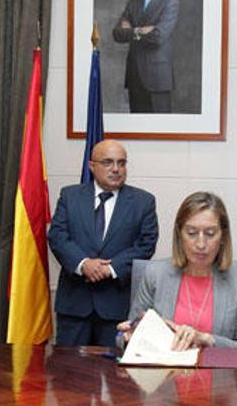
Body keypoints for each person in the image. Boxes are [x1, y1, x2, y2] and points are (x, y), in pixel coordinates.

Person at [48, 139, 159, 346]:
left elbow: (146, 244)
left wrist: (111, 269)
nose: (116, 169)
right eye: (108, 162)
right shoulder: (70, 196)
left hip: (117, 308)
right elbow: (58, 236)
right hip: (74, 306)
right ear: (92, 166)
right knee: (68, 372)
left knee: (114, 374)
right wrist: (84, 264)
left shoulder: (143, 202)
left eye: (122, 163)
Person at [119, 191, 237, 350]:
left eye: (210, 233)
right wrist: (129, 338)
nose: (201, 244)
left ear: (223, 237)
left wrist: (208, 339)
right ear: (180, 235)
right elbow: (128, 334)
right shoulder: (155, 274)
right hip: (164, 373)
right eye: (192, 233)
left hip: (218, 373)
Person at [112, 0, 180, 113]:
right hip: (135, 76)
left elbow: (158, 37)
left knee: (160, 130)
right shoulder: (133, 3)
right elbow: (117, 33)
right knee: (137, 130)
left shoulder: (170, 2)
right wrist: (139, 30)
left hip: (158, 78)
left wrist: (131, 30)